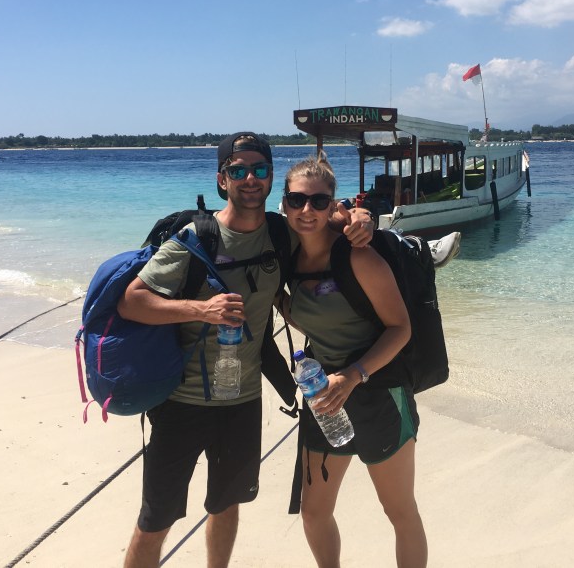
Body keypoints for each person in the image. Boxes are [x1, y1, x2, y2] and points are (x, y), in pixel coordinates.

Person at [117, 133, 373, 568]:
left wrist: (360, 215)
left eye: (259, 170)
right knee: (156, 517)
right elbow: (132, 300)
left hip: (242, 400)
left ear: (272, 178)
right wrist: (202, 309)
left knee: (226, 503)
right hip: (182, 401)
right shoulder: (193, 239)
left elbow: (327, 218)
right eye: (238, 170)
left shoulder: (280, 232)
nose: (249, 179)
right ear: (222, 180)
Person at [281, 151, 428, 568]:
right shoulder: (287, 256)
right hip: (322, 394)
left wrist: (352, 375)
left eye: (318, 201)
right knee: (313, 511)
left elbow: (401, 328)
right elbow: (303, 310)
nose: (306, 210)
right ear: (285, 204)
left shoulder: (358, 255)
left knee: (399, 512)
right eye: (297, 200)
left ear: (333, 205)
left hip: (378, 390)